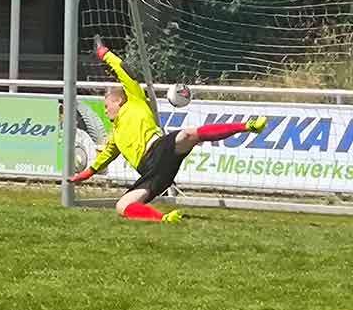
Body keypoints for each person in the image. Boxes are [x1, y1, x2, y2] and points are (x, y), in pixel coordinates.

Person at [70, 35, 267, 221]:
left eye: (106, 106)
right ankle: (164, 219)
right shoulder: (116, 135)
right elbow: (104, 158)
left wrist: (104, 54)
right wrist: (84, 175)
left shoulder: (135, 100)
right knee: (122, 205)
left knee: (189, 134)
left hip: (159, 149)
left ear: (119, 101)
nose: (105, 111)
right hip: (154, 173)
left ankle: (247, 125)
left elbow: (124, 71)